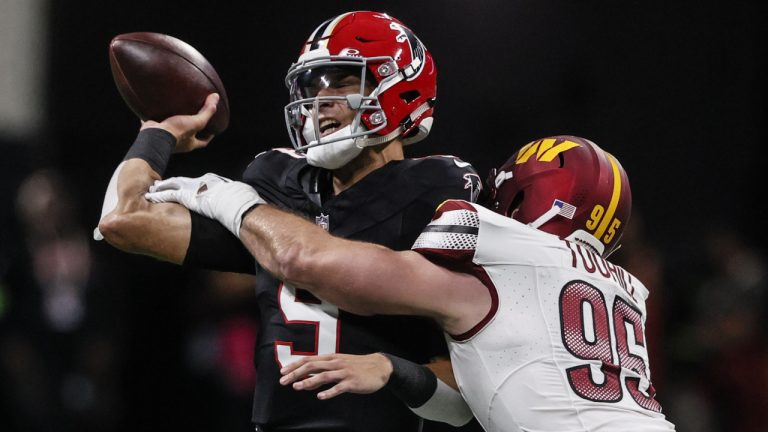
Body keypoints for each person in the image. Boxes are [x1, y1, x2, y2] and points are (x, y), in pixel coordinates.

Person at [97, 11, 481, 431]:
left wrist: (393, 369)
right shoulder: (277, 179)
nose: (321, 99)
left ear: (400, 88)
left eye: (343, 79)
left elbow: (463, 400)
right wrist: (157, 132)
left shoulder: (438, 187)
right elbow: (124, 218)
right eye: (313, 85)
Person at [145, 135, 677, 431]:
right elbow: (469, 401)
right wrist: (393, 369)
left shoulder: (496, 243)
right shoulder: (626, 288)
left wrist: (228, 197)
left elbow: (310, 259)